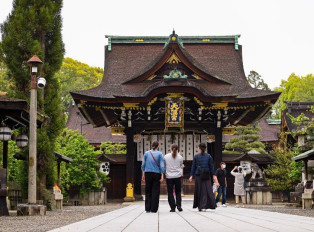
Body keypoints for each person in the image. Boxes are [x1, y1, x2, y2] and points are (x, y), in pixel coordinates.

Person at [189, 143, 219, 211]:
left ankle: (200, 206)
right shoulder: (209, 156)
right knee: (207, 191)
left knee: (199, 190)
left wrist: (191, 175)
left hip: (198, 176)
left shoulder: (196, 156)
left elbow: (193, 167)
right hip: (207, 175)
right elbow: (211, 167)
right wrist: (213, 175)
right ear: (205, 149)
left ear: (199, 148)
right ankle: (206, 205)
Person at [142, 141, 165, 213]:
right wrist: (162, 174)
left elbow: (143, 165)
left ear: (152, 146)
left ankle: (147, 208)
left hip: (148, 173)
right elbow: (162, 165)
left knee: (148, 190)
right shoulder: (160, 154)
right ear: (158, 146)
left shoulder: (146, 153)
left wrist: (143, 174)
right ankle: (154, 209)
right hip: (156, 173)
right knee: (155, 191)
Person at [164, 144, 184, 212]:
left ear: (171, 149)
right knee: (178, 191)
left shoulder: (166, 157)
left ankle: (172, 207)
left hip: (169, 176)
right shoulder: (180, 157)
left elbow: (164, 165)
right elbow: (181, 165)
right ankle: (179, 206)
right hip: (177, 176)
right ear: (177, 149)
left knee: (170, 192)